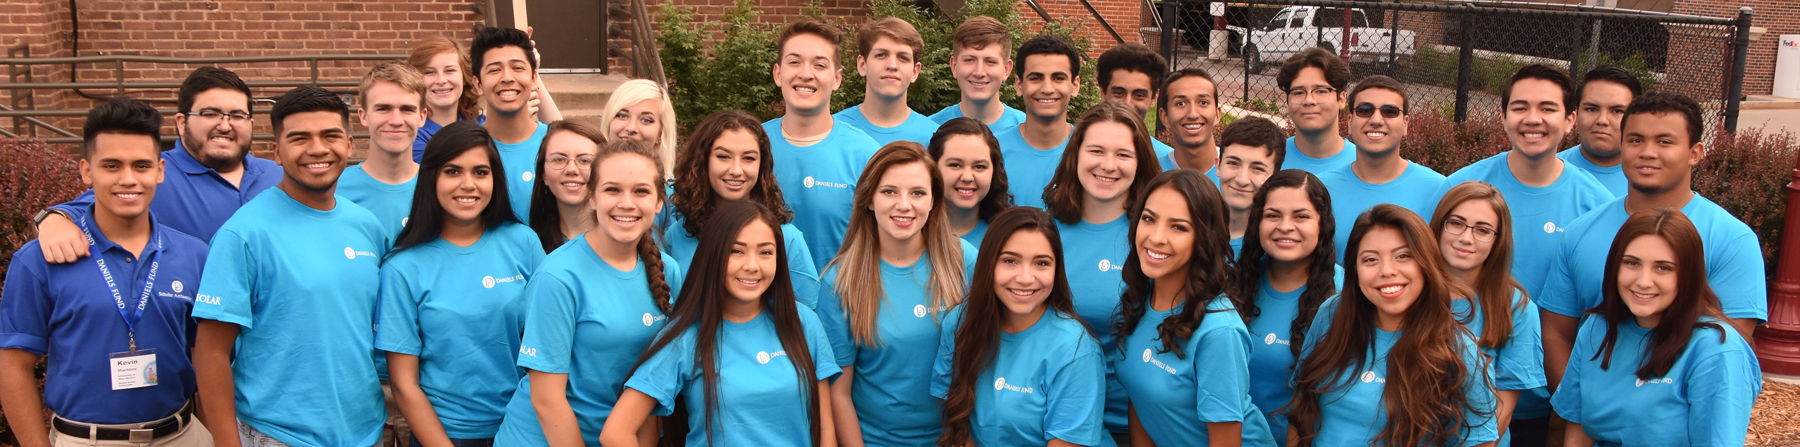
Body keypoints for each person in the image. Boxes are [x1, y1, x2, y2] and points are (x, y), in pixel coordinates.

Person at [1, 97, 213, 447]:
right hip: (86, 440)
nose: (128, 179)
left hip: (182, 434)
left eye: (141, 166)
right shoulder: (39, 260)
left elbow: (206, 358)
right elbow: (13, 366)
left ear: (160, 170)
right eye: (111, 166)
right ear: (86, 171)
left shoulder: (194, 254)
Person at [189, 86, 388, 447]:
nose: (317, 149)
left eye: (330, 136)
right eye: (300, 138)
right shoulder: (244, 234)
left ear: (348, 144)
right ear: (277, 152)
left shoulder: (367, 226)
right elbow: (211, 352)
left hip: (366, 431)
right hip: (279, 436)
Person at [1538, 92, 1765, 396]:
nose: (1647, 152)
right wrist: (1578, 409)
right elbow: (1556, 333)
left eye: (1664, 142)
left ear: (1695, 153)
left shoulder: (1731, 240)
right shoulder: (1581, 231)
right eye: (1635, 140)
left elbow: (1727, 349)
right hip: (1585, 419)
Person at [601, 200, 840, 447]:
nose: (752, 265)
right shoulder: (686, 336)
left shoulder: (803, 322)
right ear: (714, 255)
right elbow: (616, 432)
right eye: (736, 251)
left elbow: (824, 429)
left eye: (766, 252)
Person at [491, 139, 682, 447]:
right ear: (592, 197)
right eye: (612, 190)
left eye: (641, 191)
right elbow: (546, 399)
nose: (627, 203)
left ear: (660, 202)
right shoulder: (558, 276)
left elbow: (653, 384)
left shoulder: (667, 271)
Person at [379, 122, 546, 447]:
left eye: (480, 172)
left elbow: (551, 343)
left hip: (523, 428)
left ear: (495, 178)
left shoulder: (523, 242)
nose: (468, 184)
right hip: (443, 434)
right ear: (431, 179)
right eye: (453, 172)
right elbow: (403, 385)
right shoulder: (402, 267)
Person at [1286, 204, 1498, 447]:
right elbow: (1301, 408)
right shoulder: (1332, 314)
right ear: (1354, 269)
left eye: (1403, 256)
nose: (1387, 271)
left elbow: (1481, 442)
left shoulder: (1460, 350)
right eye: (1370, 259)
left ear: (1426, 262)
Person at [1551, 209, 1760, 447]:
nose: (1643, 281)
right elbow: (1579, 428)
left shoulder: (1716, 350)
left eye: (1663, 268)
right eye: (1632, 263)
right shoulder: (1596, 329)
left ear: (1688, 275)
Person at [817, 142, 978, 446]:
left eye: (917, 193)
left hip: (955, 438)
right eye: (889, 191)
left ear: (933, 201)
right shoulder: (840, 281)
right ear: (869, 200)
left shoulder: (963, 260)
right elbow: (839, 393)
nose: (904, 205)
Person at [35, 67, 280, 255]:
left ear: (250, 123)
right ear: (181, 123)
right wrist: (53, 221)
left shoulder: (276, 175)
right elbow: (85, 208)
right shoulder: (151, 172)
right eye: (210, 114)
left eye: (237, 115)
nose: (225, 125)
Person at [1114, 170, 1278, 447]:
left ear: (1204, 238)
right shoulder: (1140, 298)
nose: (1156, 237)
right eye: (1149, 219)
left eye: (1178, 227)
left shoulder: (1219, 332)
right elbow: (1140, 396)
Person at [932, 206, 1109, 447]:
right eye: (1010, 260)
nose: (1025, 278)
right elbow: (957, 423)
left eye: (1041, 263)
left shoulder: (1076, 350)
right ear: (988, 264)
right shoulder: (959, 323)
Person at [1434, 63, 1610, 299]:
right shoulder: (1459, 188)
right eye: (1520, 108)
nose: (1533, 119)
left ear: (1570, 120)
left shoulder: (1597, 204)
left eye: (1547, 109)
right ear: (1504, 118)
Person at [1044, 100, 1163, 441]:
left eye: (1123, 154)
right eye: (1096, 150)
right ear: (1076, 153)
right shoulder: (1045, 232)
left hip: (1136, 423)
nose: (1108, 165)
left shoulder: (1156, 237)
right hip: (1055, 418)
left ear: (1140, 161)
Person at [1223, 169, 1341, 443]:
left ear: (1323, 223)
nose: (1285, 226)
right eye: (1273, 215)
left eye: (1301, 216)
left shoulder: (1347, 295)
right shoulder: (1233, 282)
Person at [1430, 182, 1548, 446]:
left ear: (1498, 240)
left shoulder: (1516, 307)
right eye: (1456, 223)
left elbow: (1503, 408)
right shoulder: (1411, 290)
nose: (1466, 238)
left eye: (1483, 230)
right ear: (1439, 225)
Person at [665, 109, 821, 308]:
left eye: (748, 158)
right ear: (703, 161)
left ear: (762, 164)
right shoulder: (677, 235)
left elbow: (805, 315)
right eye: (723, 156)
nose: (736, 170)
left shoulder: (786, 238)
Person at [763, 17, 882, 272]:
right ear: (778, 73)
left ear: (837, 79)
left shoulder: (866, 155)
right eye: (794, 62)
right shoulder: (752, 147)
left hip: (839, 307)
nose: (805, 74)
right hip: (760, 306)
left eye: (819, 65)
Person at [1317, 75, 1446, 260]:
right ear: (1350, 121)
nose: (1376, 119)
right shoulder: (1321, 189)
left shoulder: (1438, 190)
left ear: (1406, 123)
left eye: (1390, 111)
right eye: (1365, 110)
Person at [339, 61, 428, 240]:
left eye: (407, 109)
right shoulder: (336, 190)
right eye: (383, 109)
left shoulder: (439, 187)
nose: (396, 120)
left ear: (422, 117)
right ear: (363, 116)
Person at [472, 26, 552, 222]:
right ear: (477, 84)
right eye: (494, 70)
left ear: (534, 78)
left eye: (517, 68)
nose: (507, 78)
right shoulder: (464, 149)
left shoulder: (555, 145)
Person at [997, 34, 1083, 209]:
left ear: (1075, 86)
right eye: (1035, 78)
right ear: (1019, 85)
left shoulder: (1090, 152)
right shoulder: (993, 150)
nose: (1047, 89)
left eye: (1058, 78)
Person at [835, 18, 939, 146]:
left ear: (915, 72)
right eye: (881, 55)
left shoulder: (935, 137)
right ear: (862, 65)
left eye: (903, 58)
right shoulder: (832, 131)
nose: (892, 65)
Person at [926, 117, 1015, 247]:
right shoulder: (912, 234)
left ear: (994, 171)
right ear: (933, 167)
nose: (967, 177)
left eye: (979, 166)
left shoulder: (1009, 237)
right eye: (955, 165)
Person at [1559, 65, 1643, 198]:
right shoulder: (1548, 173)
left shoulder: (1654, 182)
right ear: (1576, 114)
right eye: (1592, 109)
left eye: (1617, 111)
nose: (1602, 120)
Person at [929, 16, 1025, 131]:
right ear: (954, 66)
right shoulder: (929, 130)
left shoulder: (1029, 131)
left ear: (1006, 70)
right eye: (969, 60)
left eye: (990, 61)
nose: (979, 72)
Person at [526, 120, 604, 252]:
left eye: (584, 161)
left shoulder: (625, 238)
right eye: (559, 159)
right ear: (543, 174)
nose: (571, 169)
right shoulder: (530, 244)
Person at [1275, 47, 1356, 174]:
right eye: (1298, 92)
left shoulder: (1365, 165)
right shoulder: (1269, 161)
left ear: (1341, 99)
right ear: (1288, 101)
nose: (1309, 100)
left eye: (1320, 91)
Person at [1213, 117, 1287, 254]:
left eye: (1257, 169)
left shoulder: (1279, 245)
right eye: (1233, 163)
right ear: (1218, 165)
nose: (1242, 180)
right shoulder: (1194, 230)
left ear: (1275, 176)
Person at [407, 34, 483, 162]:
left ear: (465, 77)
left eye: (449, 70)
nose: (441, 80)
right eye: (430, 72)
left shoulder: (483, 124)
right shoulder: (410, 134)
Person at [1095, 42, 1174, 157]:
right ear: (1103, 93)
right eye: (1118, 93)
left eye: (1139, 95)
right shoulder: (1076, 152)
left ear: (1154, 98)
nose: (1128, 104)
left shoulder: (1165, 160)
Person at [600, 79, 679, 176]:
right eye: (622, 116)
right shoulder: (584, 185)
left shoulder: (675, 190)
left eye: (646, 120)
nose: (631, 128)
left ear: (660, 133)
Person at [1157, 68, 1226, 176]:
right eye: (1180, 104)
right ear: (1165, 117)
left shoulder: (1237, 177)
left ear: (1217, 114)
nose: (1193, 114)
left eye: (1203, 102)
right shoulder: (1151, 174)